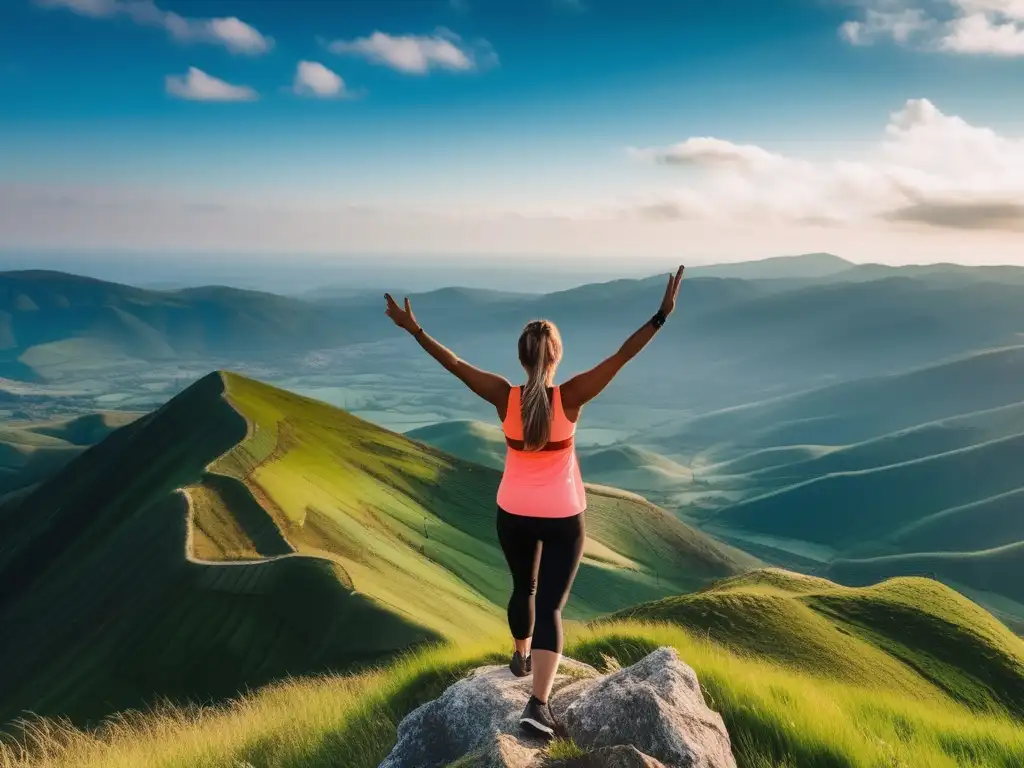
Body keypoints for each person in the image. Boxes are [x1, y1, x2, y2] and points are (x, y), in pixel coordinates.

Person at [384, 265, 685, 739]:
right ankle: (538, 704)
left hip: (513, 513)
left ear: (522, 358)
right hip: (563, 515)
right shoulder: (572, 397)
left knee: (522, 587)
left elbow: (454, 363)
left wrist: (413, 328)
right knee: (551, 609)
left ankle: (520, 655)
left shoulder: (503, 397)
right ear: (556, 356)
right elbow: (622, 356)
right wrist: (662, 315)